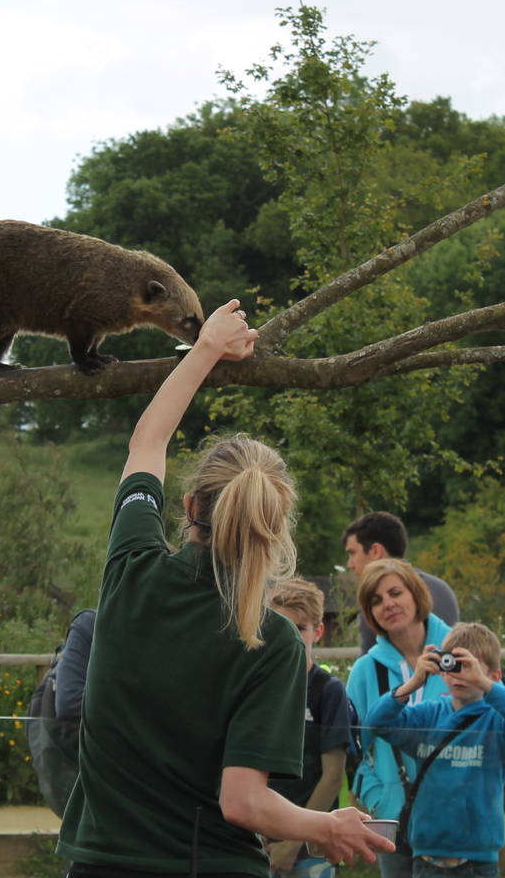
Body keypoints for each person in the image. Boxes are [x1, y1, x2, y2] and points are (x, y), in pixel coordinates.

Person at [56, 300, 391, 877]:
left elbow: (146, 443)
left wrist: (207, 347)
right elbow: (244, 803)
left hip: (99, 865)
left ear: (190, 505)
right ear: (275, 530)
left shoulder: (131, 569)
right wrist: (326, 825)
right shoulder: (272, 639)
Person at [364, 621, 505, 878]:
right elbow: (376, 723)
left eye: (468, 666)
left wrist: (486, 685)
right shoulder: (428, 716)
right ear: (442, 669)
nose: (459, 674)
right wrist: (414, 682)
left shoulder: (497, 722)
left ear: (494, 675)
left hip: (477, 862)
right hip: (426, 858)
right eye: (452, 664)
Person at [345, 559, 453, 878]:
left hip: (453, 818)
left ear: (416, 595)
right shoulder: (366, 670)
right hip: (395, 820)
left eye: (395, 593)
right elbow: (353, 746)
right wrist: (379, 798)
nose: (388, 604)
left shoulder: (458, 653)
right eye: (376, 600)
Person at [265, 578, 353, 878]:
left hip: (309, 848)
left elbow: (332, 776)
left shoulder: (328, 690)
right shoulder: (255, 684)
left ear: (318, 631)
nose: (289, 636)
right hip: (257, 839)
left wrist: (294, 842)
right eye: (280, 626)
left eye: (299, 628)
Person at [342, 513, 459, 653]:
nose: (350, 564)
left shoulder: (379, 604)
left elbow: (371, 661)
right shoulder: (442, 589)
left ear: (375, 551)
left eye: (353, 553)